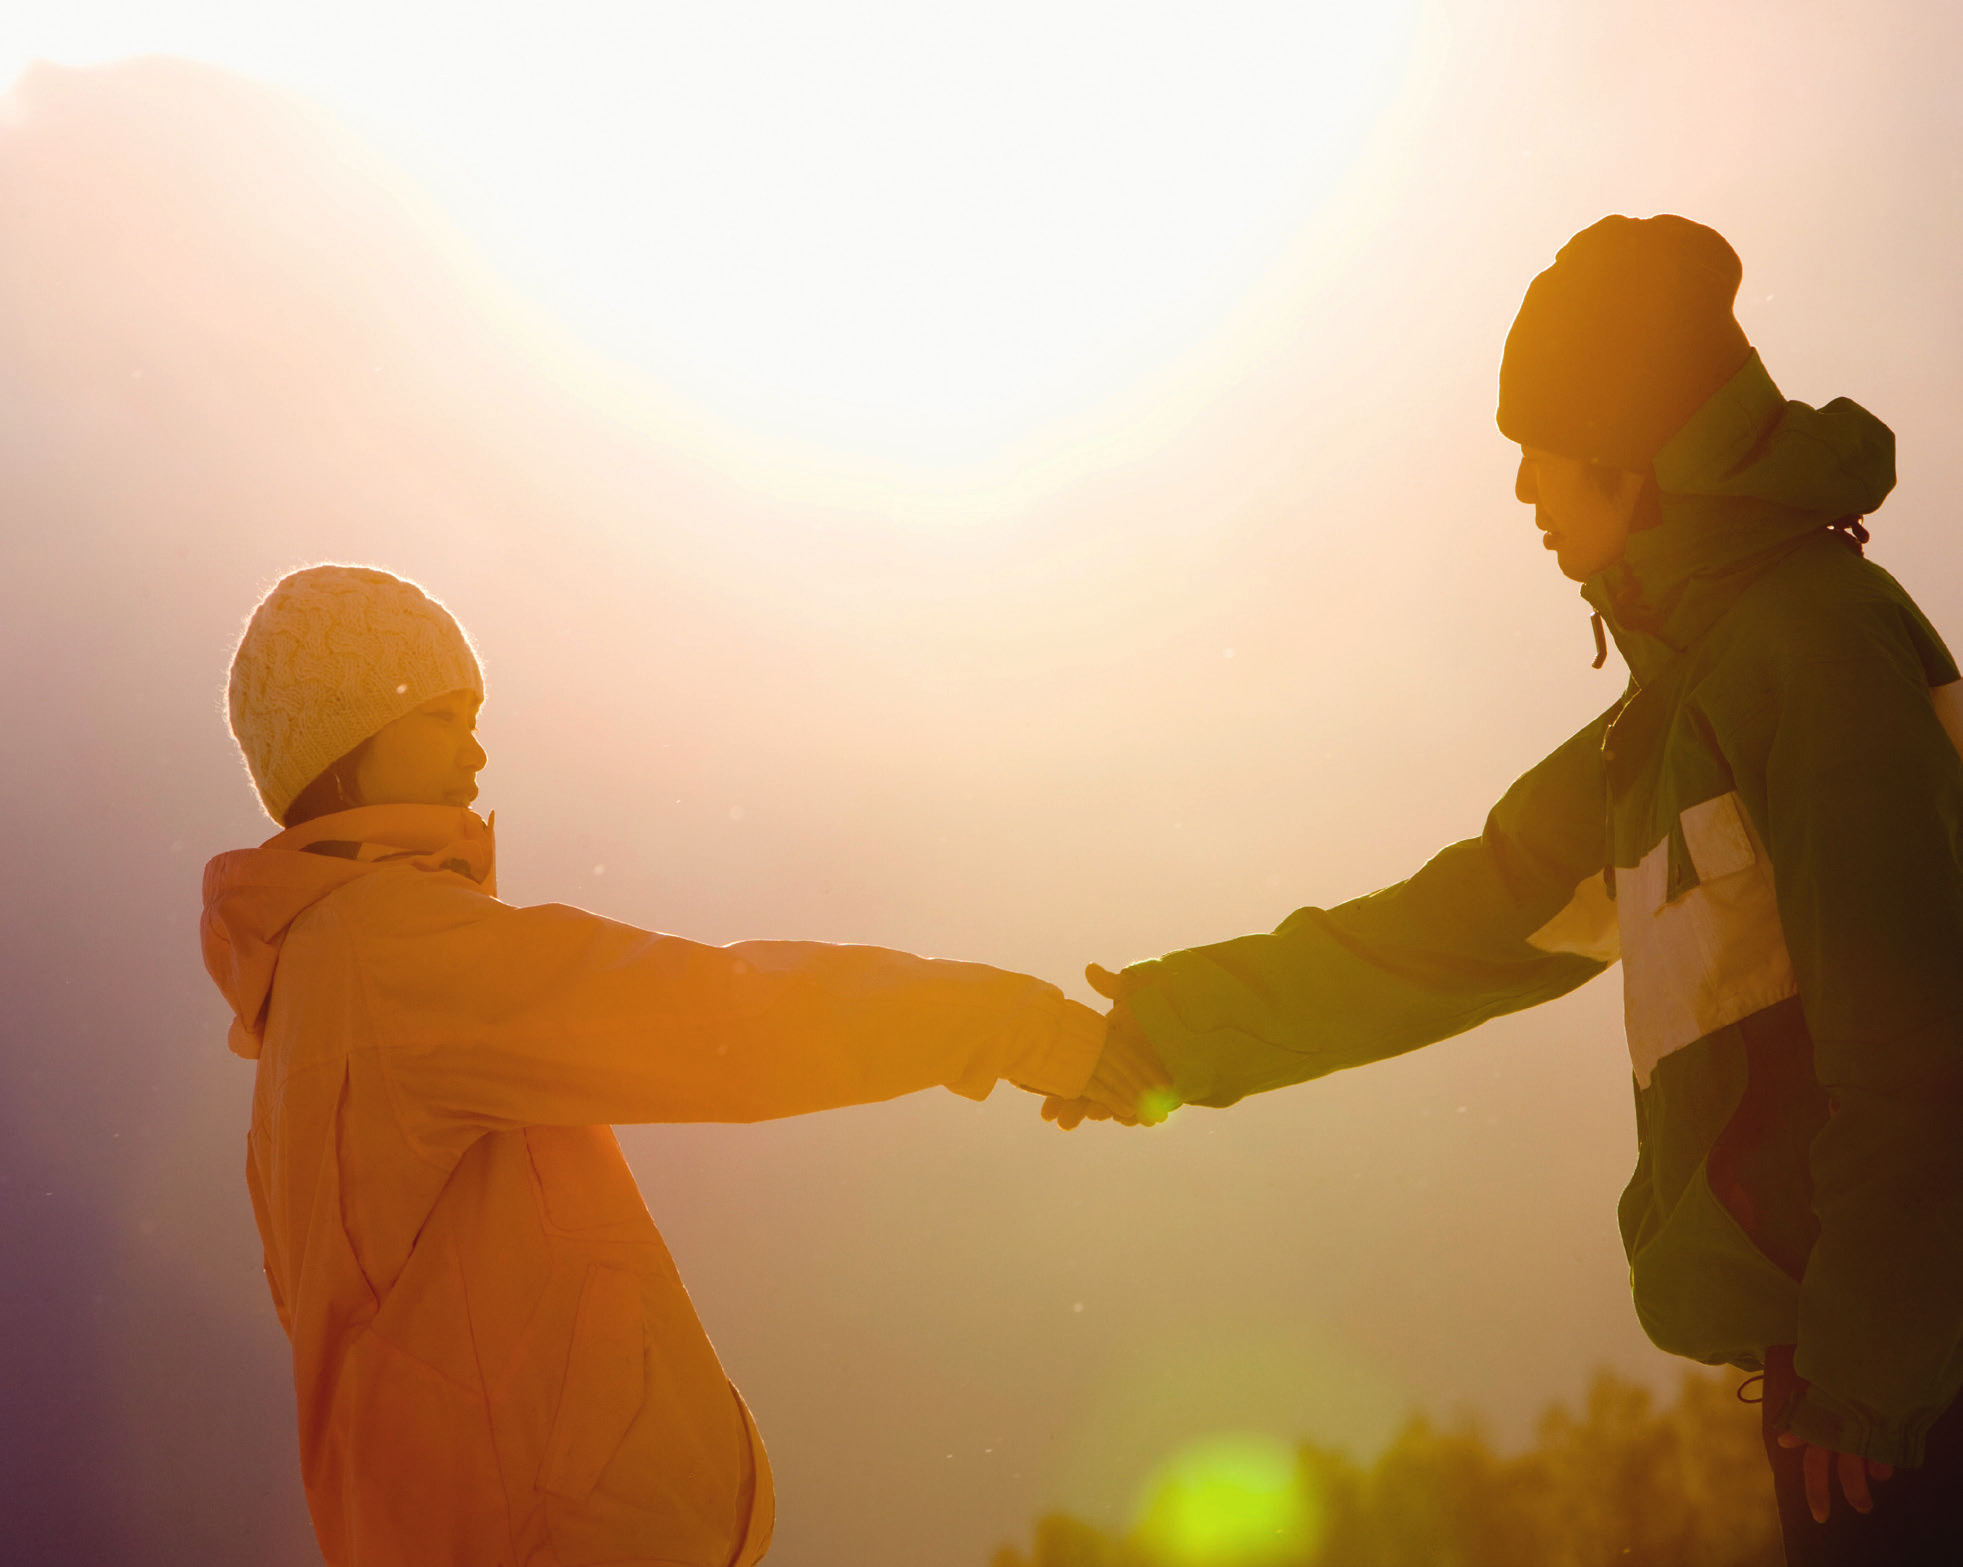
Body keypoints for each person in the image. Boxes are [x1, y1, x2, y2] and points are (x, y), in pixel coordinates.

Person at [1052, 215, 1963, 1563]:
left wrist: (1875, 1362)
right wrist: (1169, 1029)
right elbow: (1445, 933)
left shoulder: (1811, 647)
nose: (1525, 488)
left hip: (1907, 1382)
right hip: (1839, 1375)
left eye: (1539, 445)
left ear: (1632, 445)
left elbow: (1914, 1036)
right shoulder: (1658, 725)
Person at [199, 563, 1144, 1567]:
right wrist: (1021, 1025)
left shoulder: (307, 1013)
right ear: (349, 739)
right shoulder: (392, 953)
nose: (476, 752)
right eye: (443, 715)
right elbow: (723, 1018)